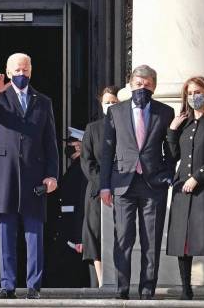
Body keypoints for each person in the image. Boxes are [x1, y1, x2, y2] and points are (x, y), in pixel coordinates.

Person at [0, 53, 59, 300]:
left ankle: (34, 286)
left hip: (34, 174)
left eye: (25, 69)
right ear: (8, 71)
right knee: (6, 232)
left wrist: (52, 175)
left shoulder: (43, 101)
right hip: (4, 173)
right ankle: (7, 285)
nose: (21, 74)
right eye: (16, 70)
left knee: (35, 233)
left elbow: (50, 142)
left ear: (31, 71)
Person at [99, 65, 174, 300]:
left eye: (147, 84)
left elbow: (172, 151)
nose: (143, 88)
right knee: (123, 239)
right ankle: (122, 290)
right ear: (131, 85)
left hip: (153, 185)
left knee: (151, 241)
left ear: (154, 86)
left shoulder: (165, 112)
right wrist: (104, 185)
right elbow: (107, 150)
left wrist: (167, 174)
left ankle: (147, 290)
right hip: (122, 183)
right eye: (139, 84)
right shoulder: (116, 111)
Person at [166, 76, 204, 300]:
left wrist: (198, 177)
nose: (194, 97)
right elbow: (173, 156)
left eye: (197, 92)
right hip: (182, 186)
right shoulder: (184, 123)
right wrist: (172, 131)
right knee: (182, 237)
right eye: (190, 93)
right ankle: (186, 289)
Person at [80, 86, 120, 287]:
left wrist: (115, 185)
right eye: (107, 102)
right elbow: (87, 161)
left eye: (114, 102)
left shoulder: (126, 127)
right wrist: (103, 184)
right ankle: (101, 283)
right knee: (95, 235)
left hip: (121, 190)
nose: (110, 105)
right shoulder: (92, 129)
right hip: (97, 192)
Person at [45, 133, 89, 287]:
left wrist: (79, 236)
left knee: (72, 274)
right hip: (65, 227)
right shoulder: (75, 167)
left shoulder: (83, 168)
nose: (70, 147)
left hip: (73, 229)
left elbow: (83, 204)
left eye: (74, 144)